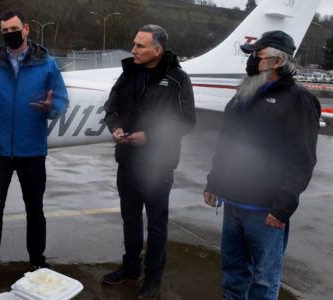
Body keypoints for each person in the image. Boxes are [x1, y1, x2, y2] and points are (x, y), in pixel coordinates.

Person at [203, 30, 321, 300]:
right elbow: (226, 143)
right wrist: (214, 181)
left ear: (277, 61)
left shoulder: (298, 100)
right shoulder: (243, 94)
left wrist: (282, 208)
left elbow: (302, 159)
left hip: (265, 210)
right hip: (233, 202)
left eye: (258, 54)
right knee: (233, 272)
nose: (252, 59)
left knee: (264, 280)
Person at [0, 9, 68, 285]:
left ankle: (36, 261)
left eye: (14, 29)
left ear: (27, 29)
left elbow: (61, 100)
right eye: (5, 31)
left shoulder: (47, 63)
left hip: (31, 149)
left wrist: (50, 108)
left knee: (35, 209)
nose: (10, 34)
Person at [102, 24, 196, 299]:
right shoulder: (128, 73)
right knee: (130, 219)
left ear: (158, 49)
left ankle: (153, 278)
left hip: (158, 165)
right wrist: (115, 128)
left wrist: (150, 137)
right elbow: (112, 108)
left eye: (140, 46)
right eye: (134, 44)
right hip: (127, 161)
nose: (133, 49)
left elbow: (187, 121)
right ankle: (130, 267)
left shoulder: (177, 78)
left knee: (156, 224)